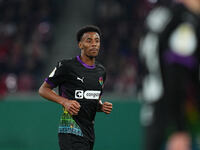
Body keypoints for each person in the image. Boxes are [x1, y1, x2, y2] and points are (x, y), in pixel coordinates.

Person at [38, 25, 113, 150]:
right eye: (89, 41)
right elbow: (43, 90)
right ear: (80, 45)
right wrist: (65, 101)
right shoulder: (66, 66)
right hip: (70, 130)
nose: (94, 44)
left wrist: (101, 106)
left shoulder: (101, 72)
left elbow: (92, 101)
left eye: (97, 41)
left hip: (89, 133)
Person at [139, 0, 200, 150]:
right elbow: (176, 72)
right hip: (172, 109)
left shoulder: (162, 13)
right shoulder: (184, 19)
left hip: (154, 100)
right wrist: (179, 127)